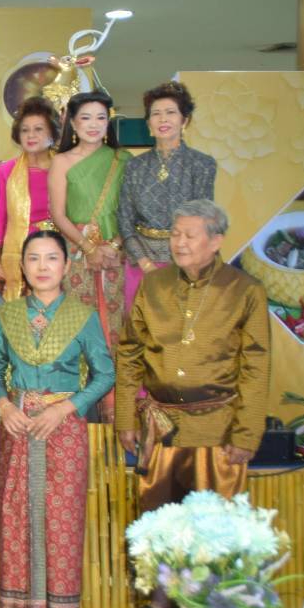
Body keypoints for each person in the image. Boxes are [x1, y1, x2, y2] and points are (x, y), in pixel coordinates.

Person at [0, 230, 115, 608]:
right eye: (33, 259)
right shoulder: (7, 315)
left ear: (66, 265)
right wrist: (3, 405)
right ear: (22, 266)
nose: (42, 267)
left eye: (51, 258)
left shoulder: (83, 316)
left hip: (64, 425)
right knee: (19, 513)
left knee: (62, 516)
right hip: (18, 424)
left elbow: (106, 373)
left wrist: (66, 407)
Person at [117, 200, 269, 515]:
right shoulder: (153, 284)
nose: (179, 243)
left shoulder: (245, 290)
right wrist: (124, 418)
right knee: (157, 533)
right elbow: (130, 353)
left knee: (215, 536)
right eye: (175, 234)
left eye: (190, 235)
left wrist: (247, 434)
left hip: (218, 436)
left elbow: (256, 367)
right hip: (161, 434)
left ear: (216, 241)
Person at [48, 91, 132, 404]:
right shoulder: (62, 161)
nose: (93, 125)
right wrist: (89, 247)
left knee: (117, 326)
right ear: (73, 122)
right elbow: (58, 214)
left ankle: (117, 406)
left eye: (100, 117)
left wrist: (114, 245)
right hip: (76, 255)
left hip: (116, 256)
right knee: (78, 323)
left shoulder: (122, 160)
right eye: (85, 117)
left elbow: (130, 210)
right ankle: (80, 403)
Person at [116, 81, 217, 308]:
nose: (163, 119)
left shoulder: (202, 164)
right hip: (140, 263)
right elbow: (124, 218)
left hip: (185, 264)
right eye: (156, 114)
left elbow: (201, 220)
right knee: (140, 330)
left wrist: (182, 261)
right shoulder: (135, 166)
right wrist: (145, 263)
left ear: (184, 120)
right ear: (148, 123)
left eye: (171, 113)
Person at [0, 97, 59, 299]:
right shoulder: (5, 171)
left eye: (38, 129)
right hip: (16, 260)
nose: (31, 135)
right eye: (25, 130)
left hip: (58, 258)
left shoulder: (65, 168)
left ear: (52, 132)